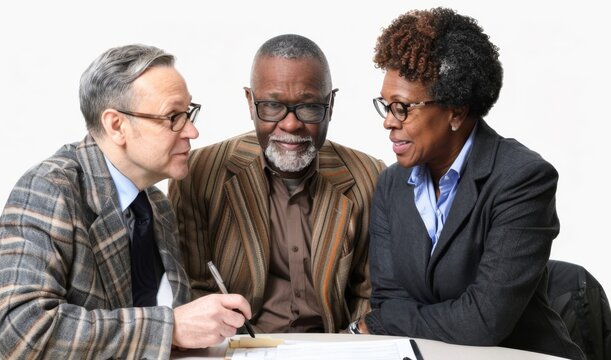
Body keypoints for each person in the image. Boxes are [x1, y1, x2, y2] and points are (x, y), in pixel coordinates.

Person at [0, 44, 251, 359]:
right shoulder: (48, 189)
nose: (192, 131)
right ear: (117, 125)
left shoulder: (156, 206)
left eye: (189, 113)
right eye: (173, 116)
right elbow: (22, 331)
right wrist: (169, 327)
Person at [347, 7, 585, 360]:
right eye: (386, 105)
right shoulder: (392, 184)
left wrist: (391, 319)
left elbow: (484, 322)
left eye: (403, 108)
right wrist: (395, 317)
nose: (389, 123)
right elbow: (388, 301)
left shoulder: (522, 179)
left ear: (456, 111)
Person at [168, 34, 385, 333]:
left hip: (335, 346)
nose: (290, 124)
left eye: (309, 107)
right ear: (250, 101)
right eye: (272, 105)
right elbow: (193, 287)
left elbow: (368, 292)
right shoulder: (199, 174)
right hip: (237, 346)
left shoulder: (369, 177)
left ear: (330, 104)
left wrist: (347, 346)